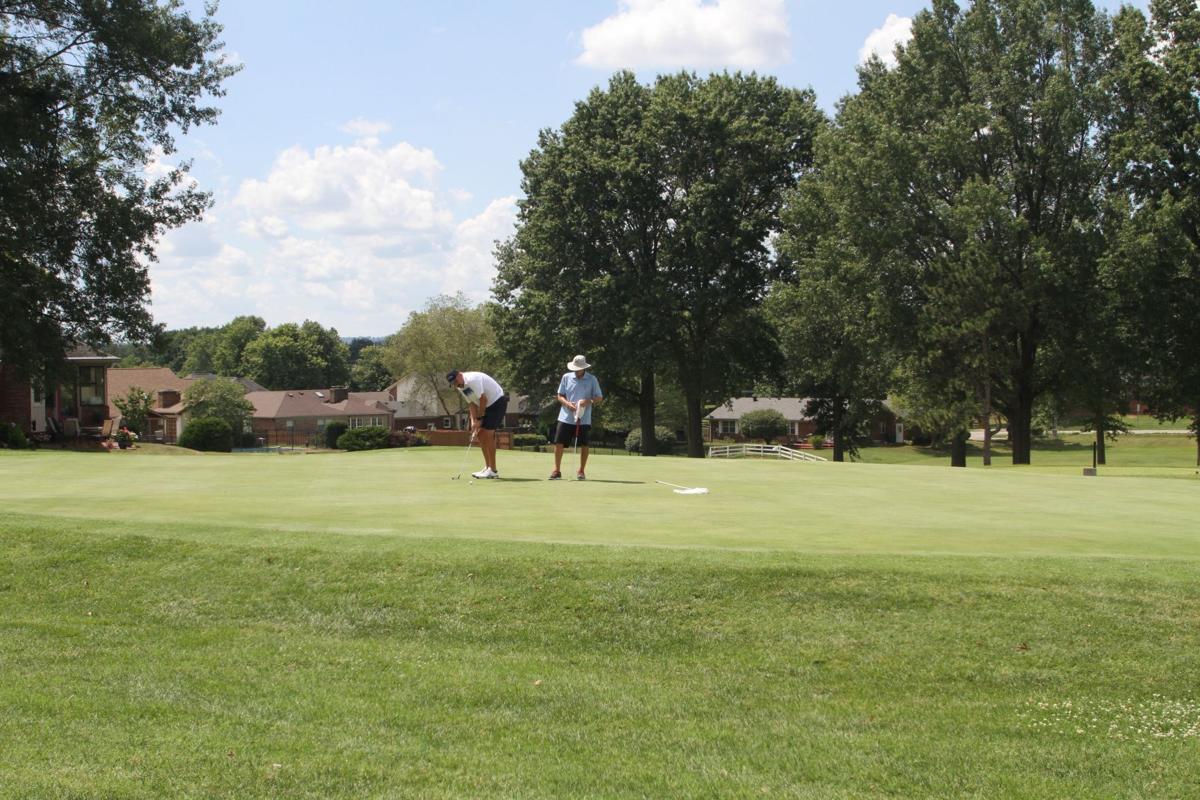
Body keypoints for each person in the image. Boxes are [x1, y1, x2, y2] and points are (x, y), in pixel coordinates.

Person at [446, 369, 508, 479]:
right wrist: (473, 421)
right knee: (480, 434)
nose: (456, 385)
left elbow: (483, 399)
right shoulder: (462, 387)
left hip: (497, 402)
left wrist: (479, 419)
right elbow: (472, 403)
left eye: (456, 381)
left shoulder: (472, 380)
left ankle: (493, 470)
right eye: (453, 384)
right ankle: (488, 467)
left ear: (460, 375)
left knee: (488, 434)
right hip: (487, 406)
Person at [550, 354, 603, 480]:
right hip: (565, 417)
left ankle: (581, 471)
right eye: (575, 368)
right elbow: (560, 395)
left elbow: (599, 397)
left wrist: (588, 401)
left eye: (578, 369)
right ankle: (557, 470)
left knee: (584, 444)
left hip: (583, 418)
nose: (576, 371)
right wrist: (567, 403)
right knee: (559, 443)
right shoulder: (566, 377)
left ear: (584, 368)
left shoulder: (592, 379)